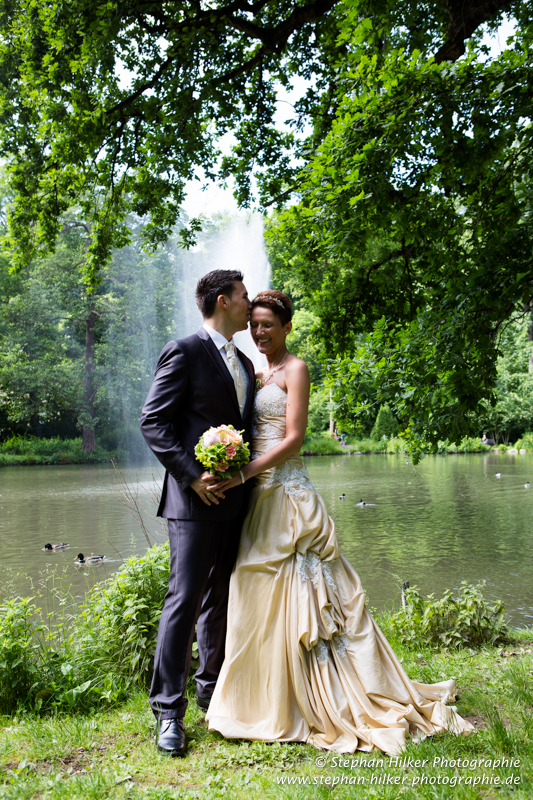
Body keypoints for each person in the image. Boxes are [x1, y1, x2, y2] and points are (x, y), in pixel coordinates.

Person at [206, 289, 473, 754]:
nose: (260, 332)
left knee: (305, 596)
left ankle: (315, 697)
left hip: (286, 496)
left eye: (269, 325)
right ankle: (261, 697)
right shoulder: (251, 371)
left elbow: (293, 438)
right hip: (255, 499)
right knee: (252, 587)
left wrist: (243, 473)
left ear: (287, 327)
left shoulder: (296, 369)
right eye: (255, 324)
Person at [140, 269, 255, 757]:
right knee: (184, 600)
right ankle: (169, 711)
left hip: (236, 500)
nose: (250, 303)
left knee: (219, 598)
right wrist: (191, 476)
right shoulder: (184, 351)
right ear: (223, 301)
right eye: (244, 296)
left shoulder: (245, 362)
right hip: (192, 502)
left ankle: (211, 691)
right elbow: (154, 421)